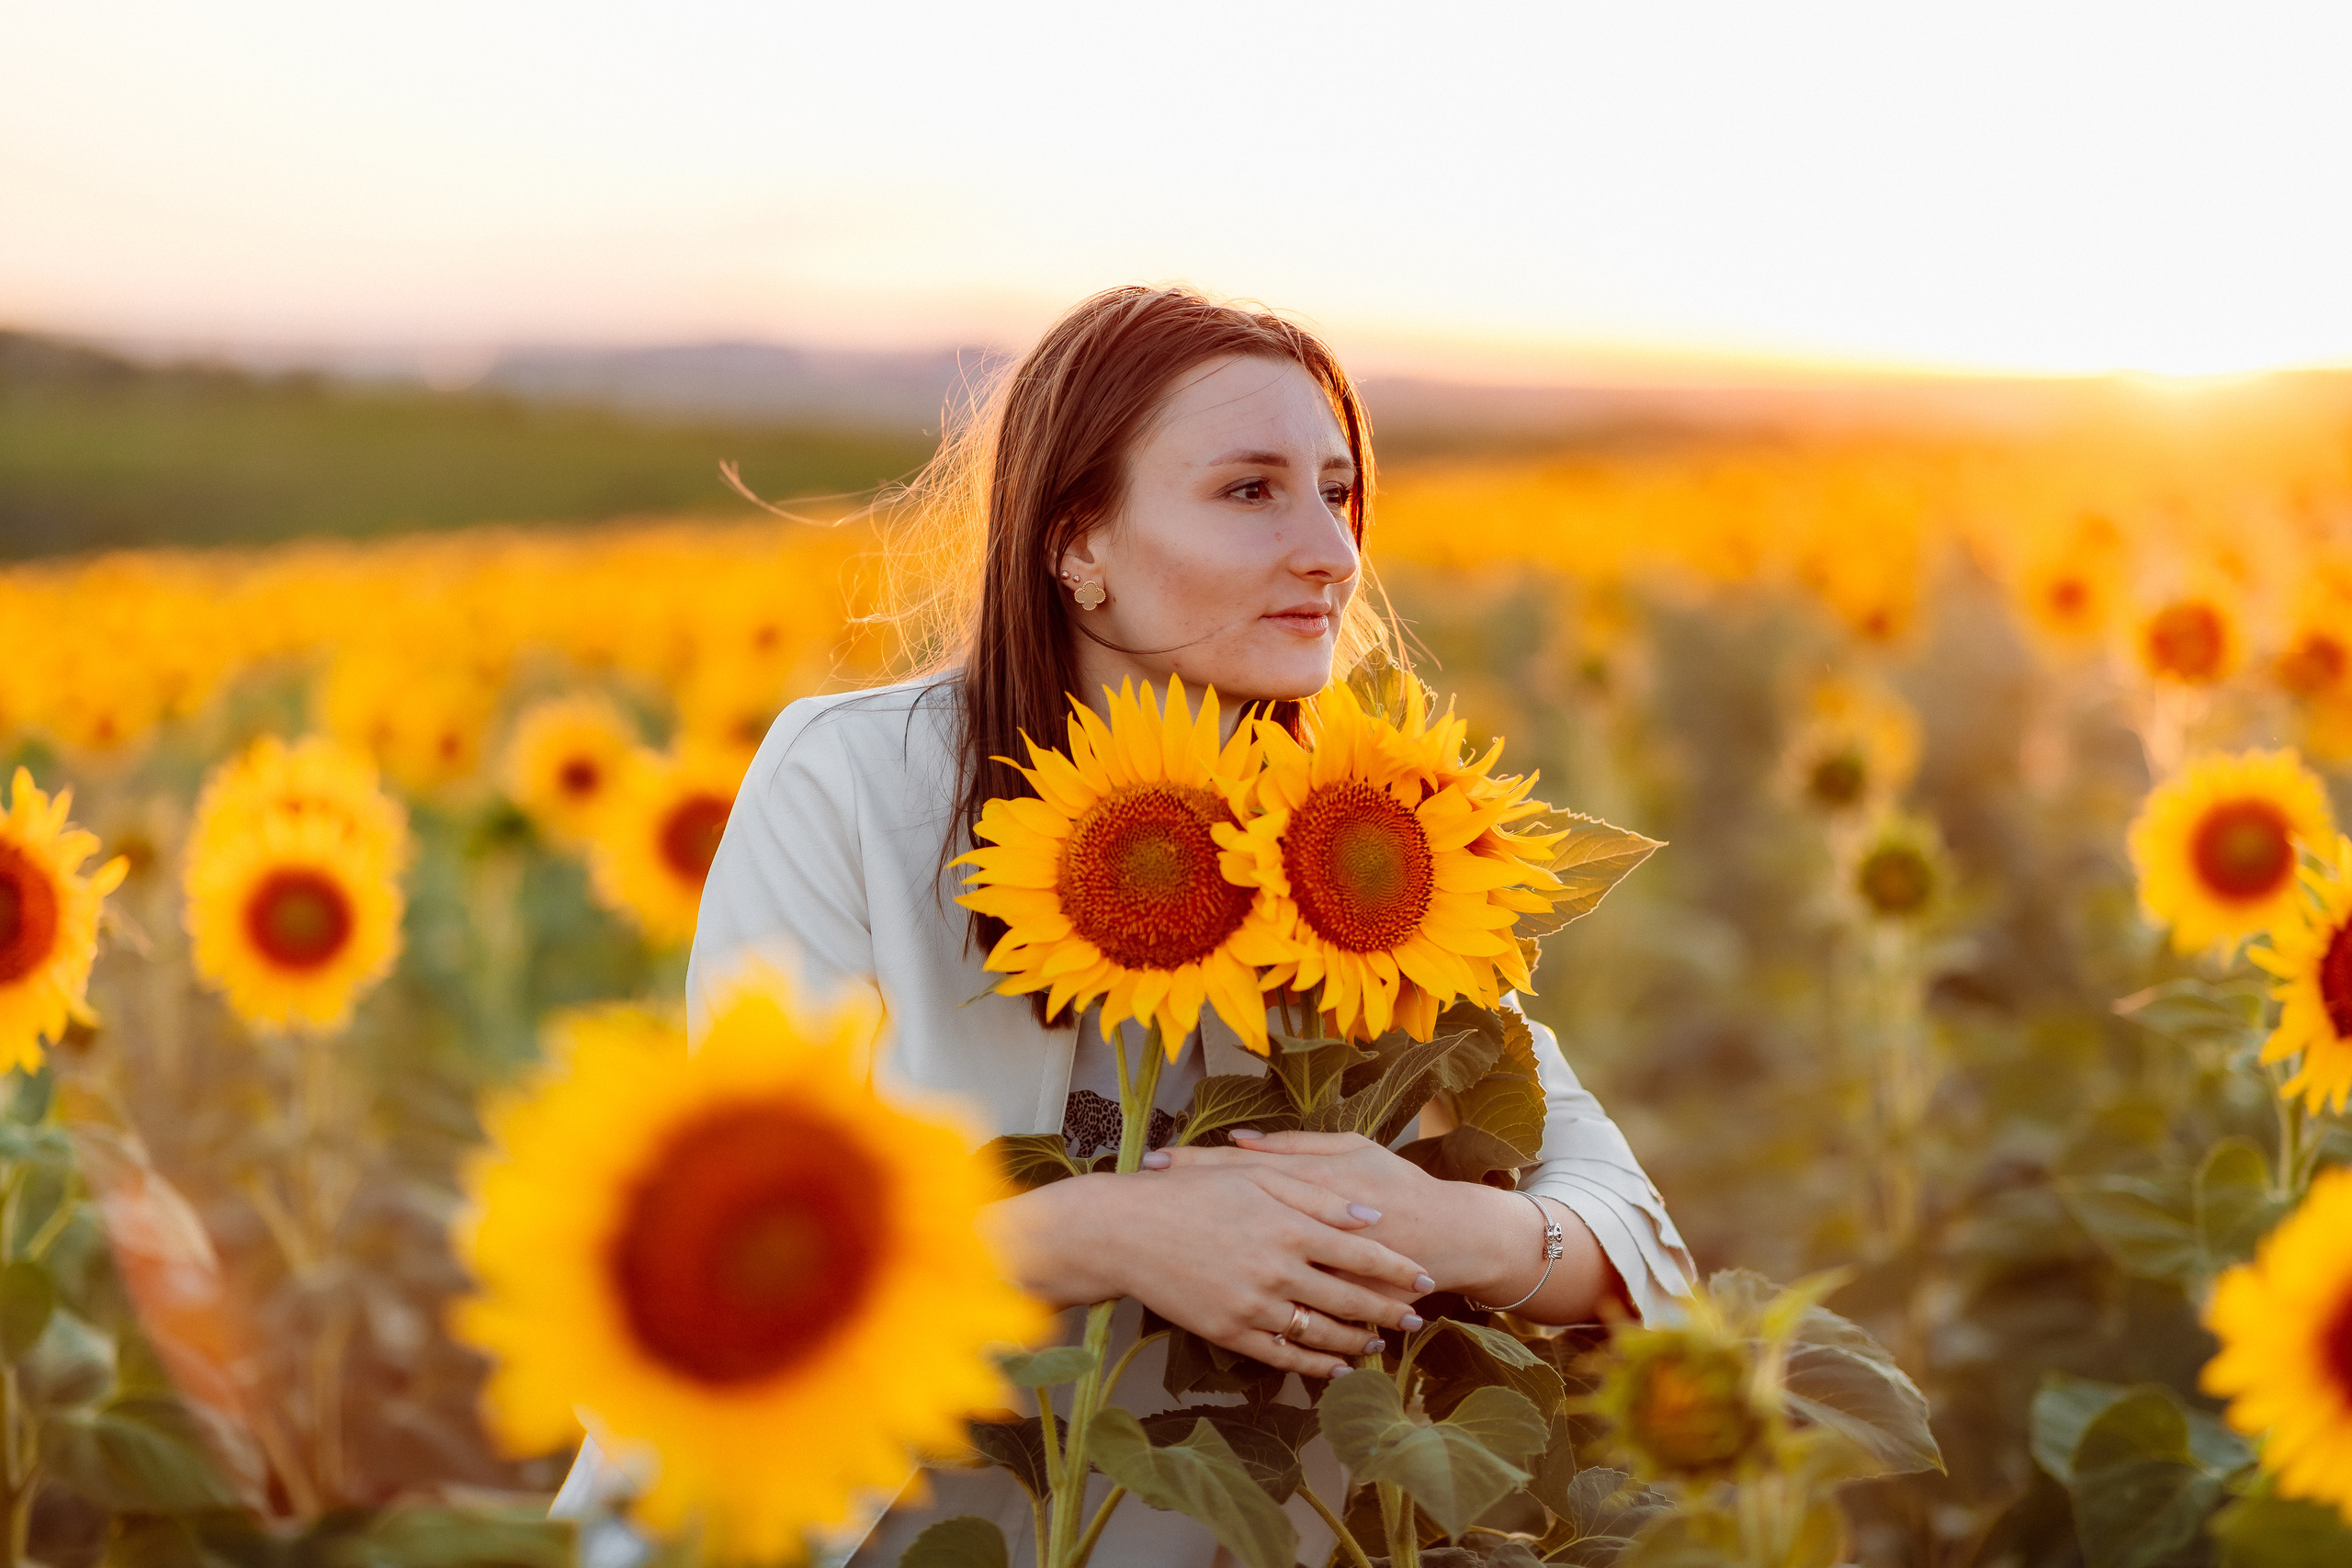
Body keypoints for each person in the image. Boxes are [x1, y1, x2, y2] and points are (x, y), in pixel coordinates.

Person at [553, 285, 1692, 1565]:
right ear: (1076, 543)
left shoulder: (1357, 843)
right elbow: (746, 1251)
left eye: (1338, 490)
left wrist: (1440, 1227)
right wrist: (1110, 1233)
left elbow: (1627, 1230)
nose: (1330, 550)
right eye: (1250, 490)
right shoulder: (860, 786)